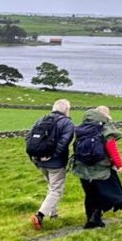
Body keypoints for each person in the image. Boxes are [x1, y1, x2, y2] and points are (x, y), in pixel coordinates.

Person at [70, 106, 122, 229]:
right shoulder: (105, 128)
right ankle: (96, 216)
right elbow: (111, 147)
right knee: (107, 193)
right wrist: (119, 164)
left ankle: (91, 219)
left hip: (83, 166)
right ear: (105, 116)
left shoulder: (83, 127)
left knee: (90, 194)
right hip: (100, 167)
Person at [28, 98, 75, 230]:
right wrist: (51, 156)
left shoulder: (41, 120)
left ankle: (54, 215)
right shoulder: (67, 123)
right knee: (56, 189)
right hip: (56, 163)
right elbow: (63, 143)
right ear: (66, 109)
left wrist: (37, 156)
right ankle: (40, 215)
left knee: (51, 187)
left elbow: (29, 138)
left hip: (39, 161)